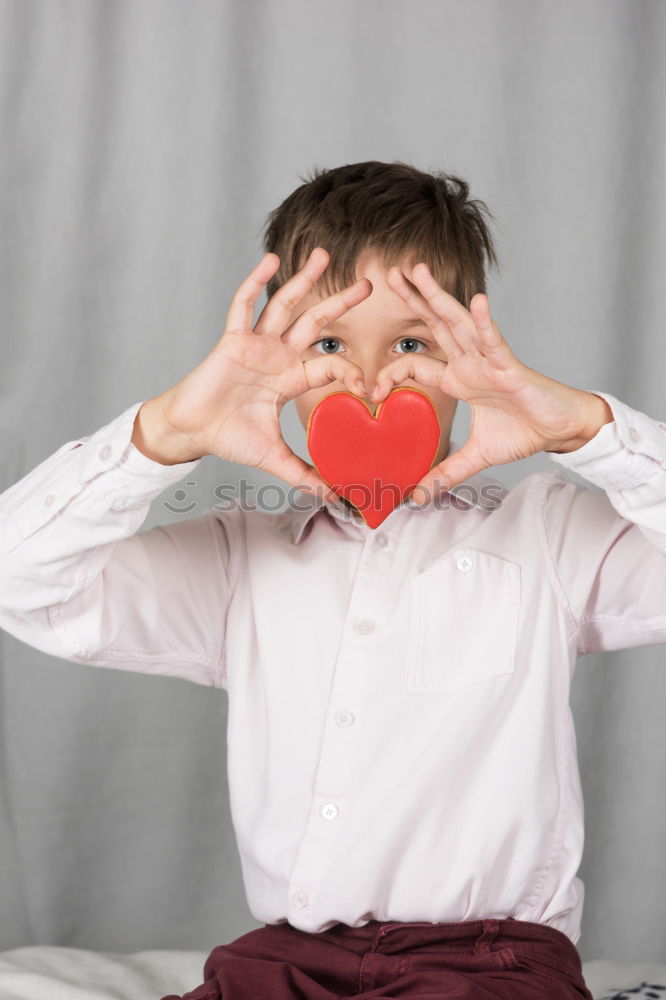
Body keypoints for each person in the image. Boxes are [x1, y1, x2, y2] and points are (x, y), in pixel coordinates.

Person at [2, 160, 664, 999]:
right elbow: (20, 580)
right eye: (328, 344)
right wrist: (165, 430)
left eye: (413, 344)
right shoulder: (241, 561)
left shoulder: (547, 537)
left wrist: (588, 430)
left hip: (490, 960)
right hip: (288, 956)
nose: (370, 380)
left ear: (468, 352)